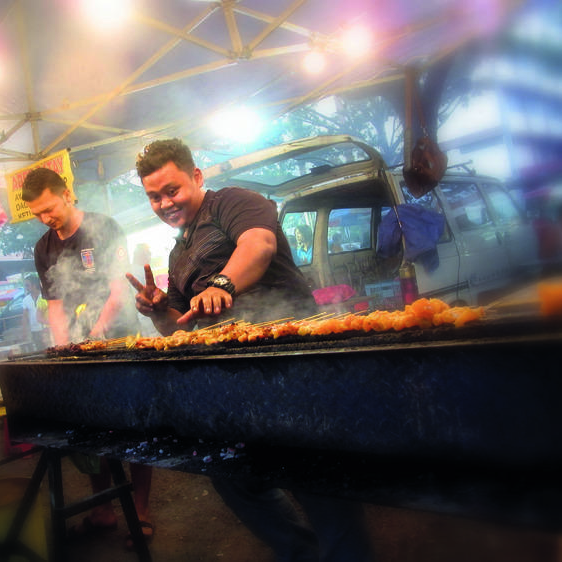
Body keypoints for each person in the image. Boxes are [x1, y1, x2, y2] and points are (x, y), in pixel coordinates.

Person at [127, 138, 372, 562]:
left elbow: (258, 245)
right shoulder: (179, 252)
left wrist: (223, 283)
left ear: (197, 177)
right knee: (230, 474)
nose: (165, 203)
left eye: (172, 190)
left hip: (290, 361)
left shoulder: (234, 203)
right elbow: (178, 329)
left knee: (313, 474)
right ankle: (302, 554)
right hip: (232, 382)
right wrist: (158, 310)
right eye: (154, 197)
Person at [21, 167, 153, 548]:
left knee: (135, 429)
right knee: (93, 430)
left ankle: (140, 513)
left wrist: (95, 335)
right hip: (82, 351)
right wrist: (63, 349)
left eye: (49, 208)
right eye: (37, 214)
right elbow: (57, 308)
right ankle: (104, 510)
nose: (46, 218)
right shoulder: (44, 248)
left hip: (120, 341)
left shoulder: (104, 227)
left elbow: (118, 290)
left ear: (66, 193)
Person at [21, 274, 49, 351]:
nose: (26, 288)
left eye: (27, 285)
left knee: (51, 350)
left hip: (47, 330)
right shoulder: (25, 300)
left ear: (34, 285)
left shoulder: (44, 296)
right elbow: (24, 317)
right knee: (40, 352)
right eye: (25, 286)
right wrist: (24, 332)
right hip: (35, 331)